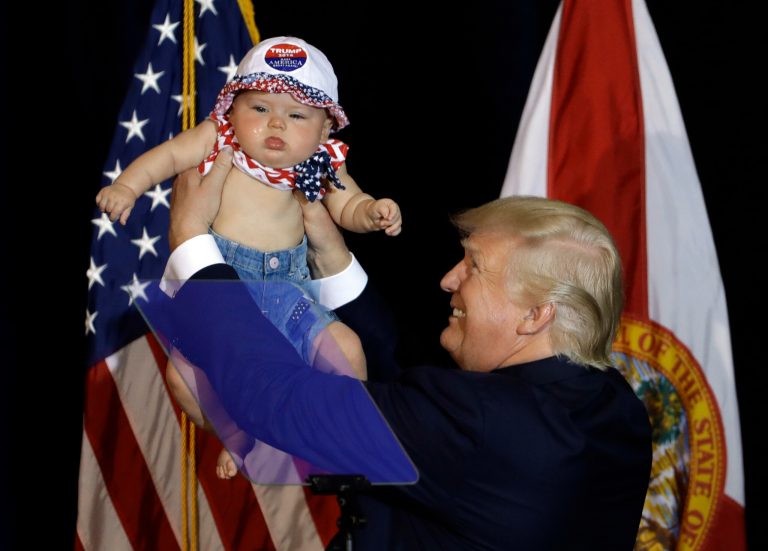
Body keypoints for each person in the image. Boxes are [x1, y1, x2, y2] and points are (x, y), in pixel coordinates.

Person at [156, 156, 652, 550]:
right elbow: (414, 399)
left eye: (473, 267)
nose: (448, 280)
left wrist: (193, 247)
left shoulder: (484, 422)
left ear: (534, 315)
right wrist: (333, 262)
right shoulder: (616, 410)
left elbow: (279, 401)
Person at [97, 36, 402, 477]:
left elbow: (346, 205)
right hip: (224, 290)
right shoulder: (220, 141)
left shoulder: (319, 162)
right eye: (259, 109)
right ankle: (239, 434)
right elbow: (166, 157)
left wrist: (370, 212)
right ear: (231, 108)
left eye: (296, 115)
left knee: (347, 348)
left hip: (290, 291)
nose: (275, 124)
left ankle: (339, 428)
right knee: (184, 378)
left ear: (323, 130)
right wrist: (128, 187)